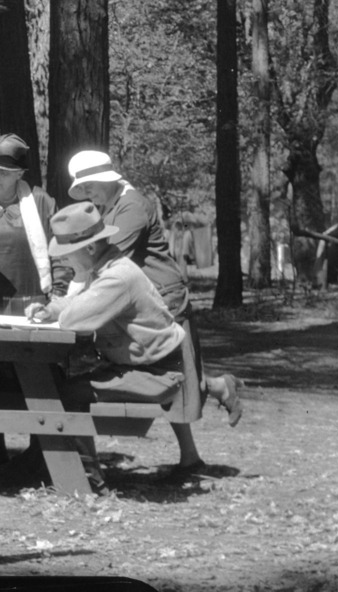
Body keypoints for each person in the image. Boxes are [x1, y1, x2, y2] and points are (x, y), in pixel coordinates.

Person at [65, 149, 243, 471]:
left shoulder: (131, 206)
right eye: (83, 189)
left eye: (90, 187)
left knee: (177, 382)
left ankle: (192, 455)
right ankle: (212, 400)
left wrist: (75, 300)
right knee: (178, 381)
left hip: (165, 299)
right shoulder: (113, 206)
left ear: (107, 180)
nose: (87, 194)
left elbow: (106, 261)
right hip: (143, 303)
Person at [26, 202, 194, 489]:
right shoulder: (106, 267)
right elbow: (80, 303)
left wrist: (60, 313)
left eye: (67, 254)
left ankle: (90, 482)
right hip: (144, 365)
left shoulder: (117, 277)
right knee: (57, 383)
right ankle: (63, 469)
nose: (65, 261)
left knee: (65, 391)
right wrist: (50, 310)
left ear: (89, 248)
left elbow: (76, 317)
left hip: (157, 373)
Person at [0, 134, 68, 462]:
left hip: (32, 304)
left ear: (19, 174)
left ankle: (38, 447)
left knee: (36, 376)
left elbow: (61, 254)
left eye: (2, 172)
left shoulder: (42, 203)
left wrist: (57, 296)